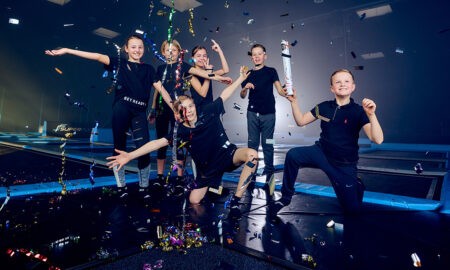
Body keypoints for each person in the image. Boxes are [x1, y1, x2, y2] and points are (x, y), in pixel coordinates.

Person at [107, 66, 256, 217]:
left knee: (252, 155)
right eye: (184, 109)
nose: (189, 110)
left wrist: (241, 79)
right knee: (194, 201)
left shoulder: (209, 111)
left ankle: (236, 201)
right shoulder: (180, 132)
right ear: (178, 114)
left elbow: (225, 94)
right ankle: (212, 185)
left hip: (228, 155)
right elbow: (156, 143)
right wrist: (130, 156)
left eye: (191, 106)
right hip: (207, 170)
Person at [45, 34, 170, 199]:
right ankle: (121, 187)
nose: (137, 50)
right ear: (126, 49)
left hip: (139, 112)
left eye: (140, 47)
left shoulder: (149, 69)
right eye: (133, 47)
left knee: (143, 150)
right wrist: (67, 50)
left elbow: (161, 89)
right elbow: (96, 56)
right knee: (119, 149)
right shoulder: (119, 63)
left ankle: (144, 187)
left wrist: (175, 108)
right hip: (122, 109)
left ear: (144, 49)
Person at [270, 69, 383, 216]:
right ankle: (285, 198)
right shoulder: (323, 107)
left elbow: (378, 139)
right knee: (293, 155)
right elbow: (301, 121)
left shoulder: (359, 111)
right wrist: (294, 102)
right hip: (321, 152)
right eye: (338, 82)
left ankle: (357, 184)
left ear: (353, 86)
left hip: (343, 164)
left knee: (352, 211)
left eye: (346, 81)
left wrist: (372, 115)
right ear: (332, 88)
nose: (342, 84)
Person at [150, 39, 232, 190]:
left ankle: (187, 178)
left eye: (173, 50)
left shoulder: (185, 67)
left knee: (184, 143)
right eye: (167, 50)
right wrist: (154, 107)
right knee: (165, 141)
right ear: (162, 52)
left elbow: (217, 73)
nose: (170, 53)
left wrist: (220, 74)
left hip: (188, 110)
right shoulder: (167, 70)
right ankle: (162, 177)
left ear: (179, 53)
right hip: (174, 110)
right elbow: (158, 89)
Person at [240, 44, 286, 189]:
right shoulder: (247, 74)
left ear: (264, 55)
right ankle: (251, 176)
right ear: (251, 57)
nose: (257, 56)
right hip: (252, 114)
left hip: (269, 116)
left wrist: (288, 91)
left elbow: (279, 90)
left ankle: (270, 179)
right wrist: (245, 88)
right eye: (254, 54)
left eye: (260, 54)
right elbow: (242, 95)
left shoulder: (271, 71)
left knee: (268, 145)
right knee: (252, 146)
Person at [189, 39, 229, 110]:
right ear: (193, 58)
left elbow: (225, 70)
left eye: (204, 56)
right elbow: (203, 93)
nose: (202, 58)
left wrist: (220, 51)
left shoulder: (209, 73)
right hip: (198, 112)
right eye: (198, 56)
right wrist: (209, 73)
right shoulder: (191, 75)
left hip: (210, 109)